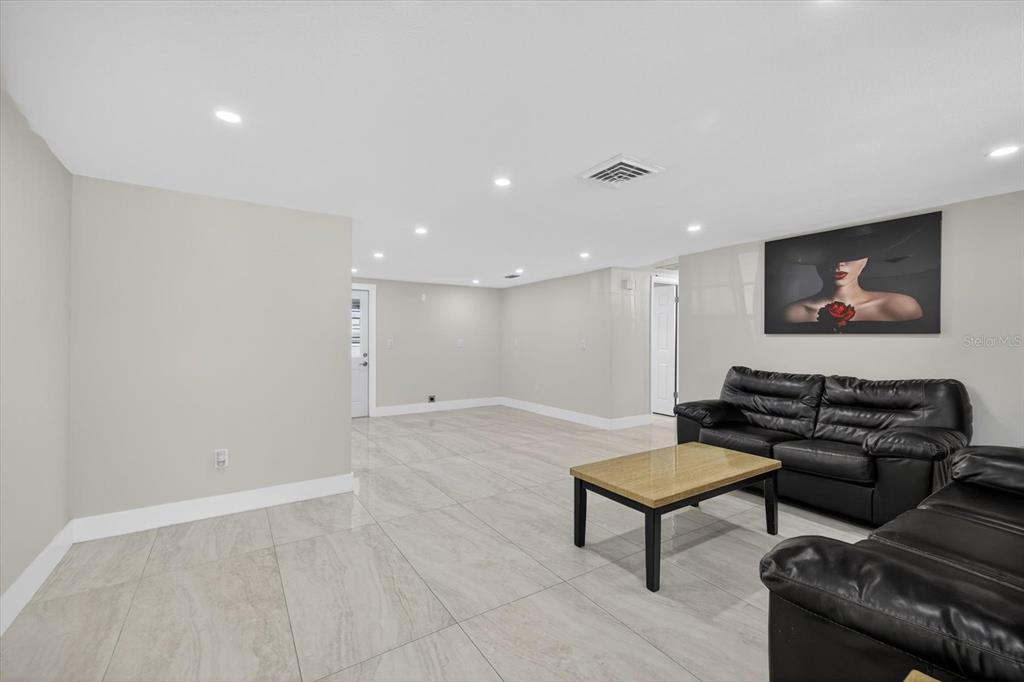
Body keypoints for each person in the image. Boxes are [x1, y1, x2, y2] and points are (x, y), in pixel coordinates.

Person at [783, 257, 923, 323]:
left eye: (850, 255)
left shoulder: (902, 306)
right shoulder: (795, 313)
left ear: (864, 261)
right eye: (831, 254)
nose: (839, 263)